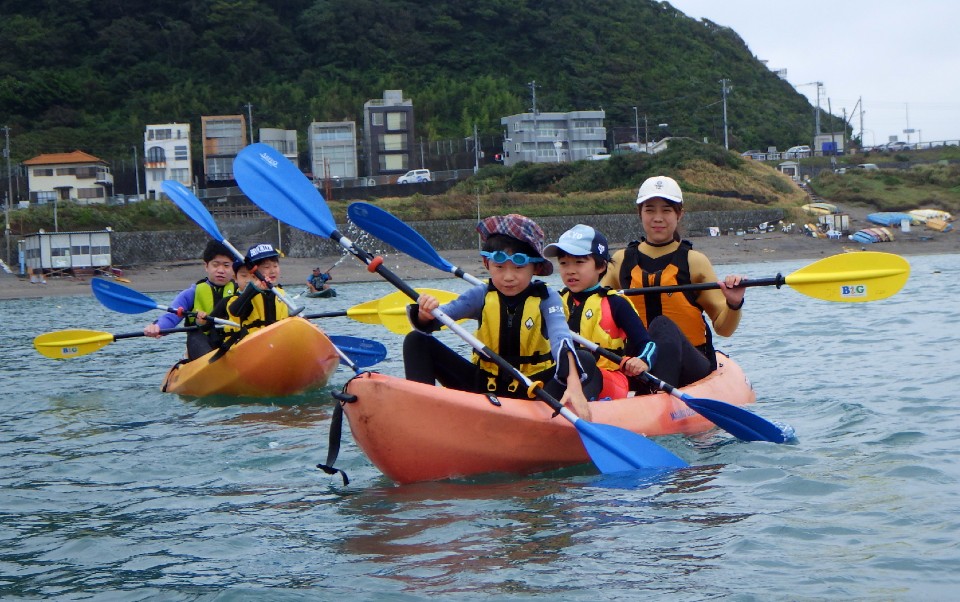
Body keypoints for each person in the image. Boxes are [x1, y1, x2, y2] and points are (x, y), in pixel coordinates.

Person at [403, 214, 600, 419]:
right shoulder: (480, 295)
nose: (508, 277)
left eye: (518, 267)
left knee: (584, 358)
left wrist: (574, 384)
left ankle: (550, 416)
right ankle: (420, 414)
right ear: (487, 264)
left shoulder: (546, 297)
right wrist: (426, 312)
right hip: (483, 386)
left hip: (533, 390)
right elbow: (440, 317)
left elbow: (561, 337)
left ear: (536, 268)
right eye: (499, 267)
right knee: (417, 341)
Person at [600, 175, 746, 387]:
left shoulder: (694, 261)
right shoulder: (621, 261)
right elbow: (596, 308)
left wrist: (733, 303)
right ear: (639, 213)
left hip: (689, 366)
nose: (658, 217)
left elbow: (724, 329)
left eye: (666, 210)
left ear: (679, 214)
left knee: (663, 325)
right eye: (650, 210)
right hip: (635, 366)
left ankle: (657, 397)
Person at [544, 224, 656, 399]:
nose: (570, 270)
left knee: (584, 359)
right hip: (566, 378)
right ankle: (543, 407)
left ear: (601, 266)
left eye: (579, 262)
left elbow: (648, 344)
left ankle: (575, 407)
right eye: (564, 263)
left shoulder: (616, 303)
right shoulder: (554, 302)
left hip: (609, 380)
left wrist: (642, 360)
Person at [143, 239, 236, 360]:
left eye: (226, 265)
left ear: (234, 268)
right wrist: (157, 327)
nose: (221, 270)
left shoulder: (240, 291)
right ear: (206, 266)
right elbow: (172, 316)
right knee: (196, 336)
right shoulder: (192, 293)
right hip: (201, 342)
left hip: (231, 340)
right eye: (215, 264)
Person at [198, 243, 290, 353]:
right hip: (248, 349)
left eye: (275, 266)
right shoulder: (240, 298)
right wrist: (253, 289)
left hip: (276, 344)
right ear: (255, 273)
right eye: (266, 267)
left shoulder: (281, 294)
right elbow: (235, 311)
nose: (272, 270)